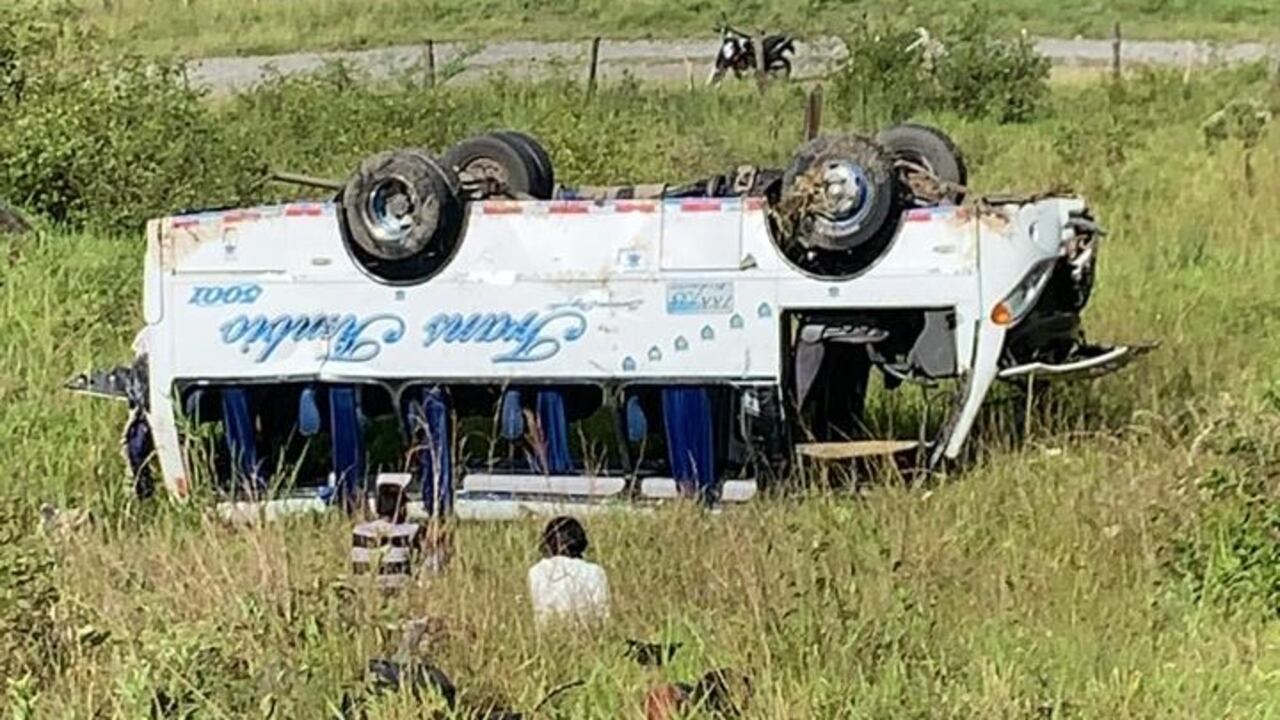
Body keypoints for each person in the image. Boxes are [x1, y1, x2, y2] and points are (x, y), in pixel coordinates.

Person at [527, 516, 610, 627]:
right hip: (585, 634)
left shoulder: (536, 571)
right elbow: (602, 616)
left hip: (546, 634)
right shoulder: (595, 572)